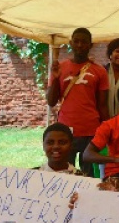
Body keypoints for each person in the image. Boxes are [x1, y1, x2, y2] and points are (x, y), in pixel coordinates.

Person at [46, 27, 109, 174]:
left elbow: (102, 105)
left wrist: (107, 130)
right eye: (76, 41)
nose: (80, 45)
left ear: (90, 45)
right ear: (71, 43)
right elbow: (51, 101)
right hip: (66, 130)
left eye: (84, 42)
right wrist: (55, 77)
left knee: (90, 174)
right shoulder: (60, 67)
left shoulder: (99, 71)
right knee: (65, 172)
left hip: (91, 129)